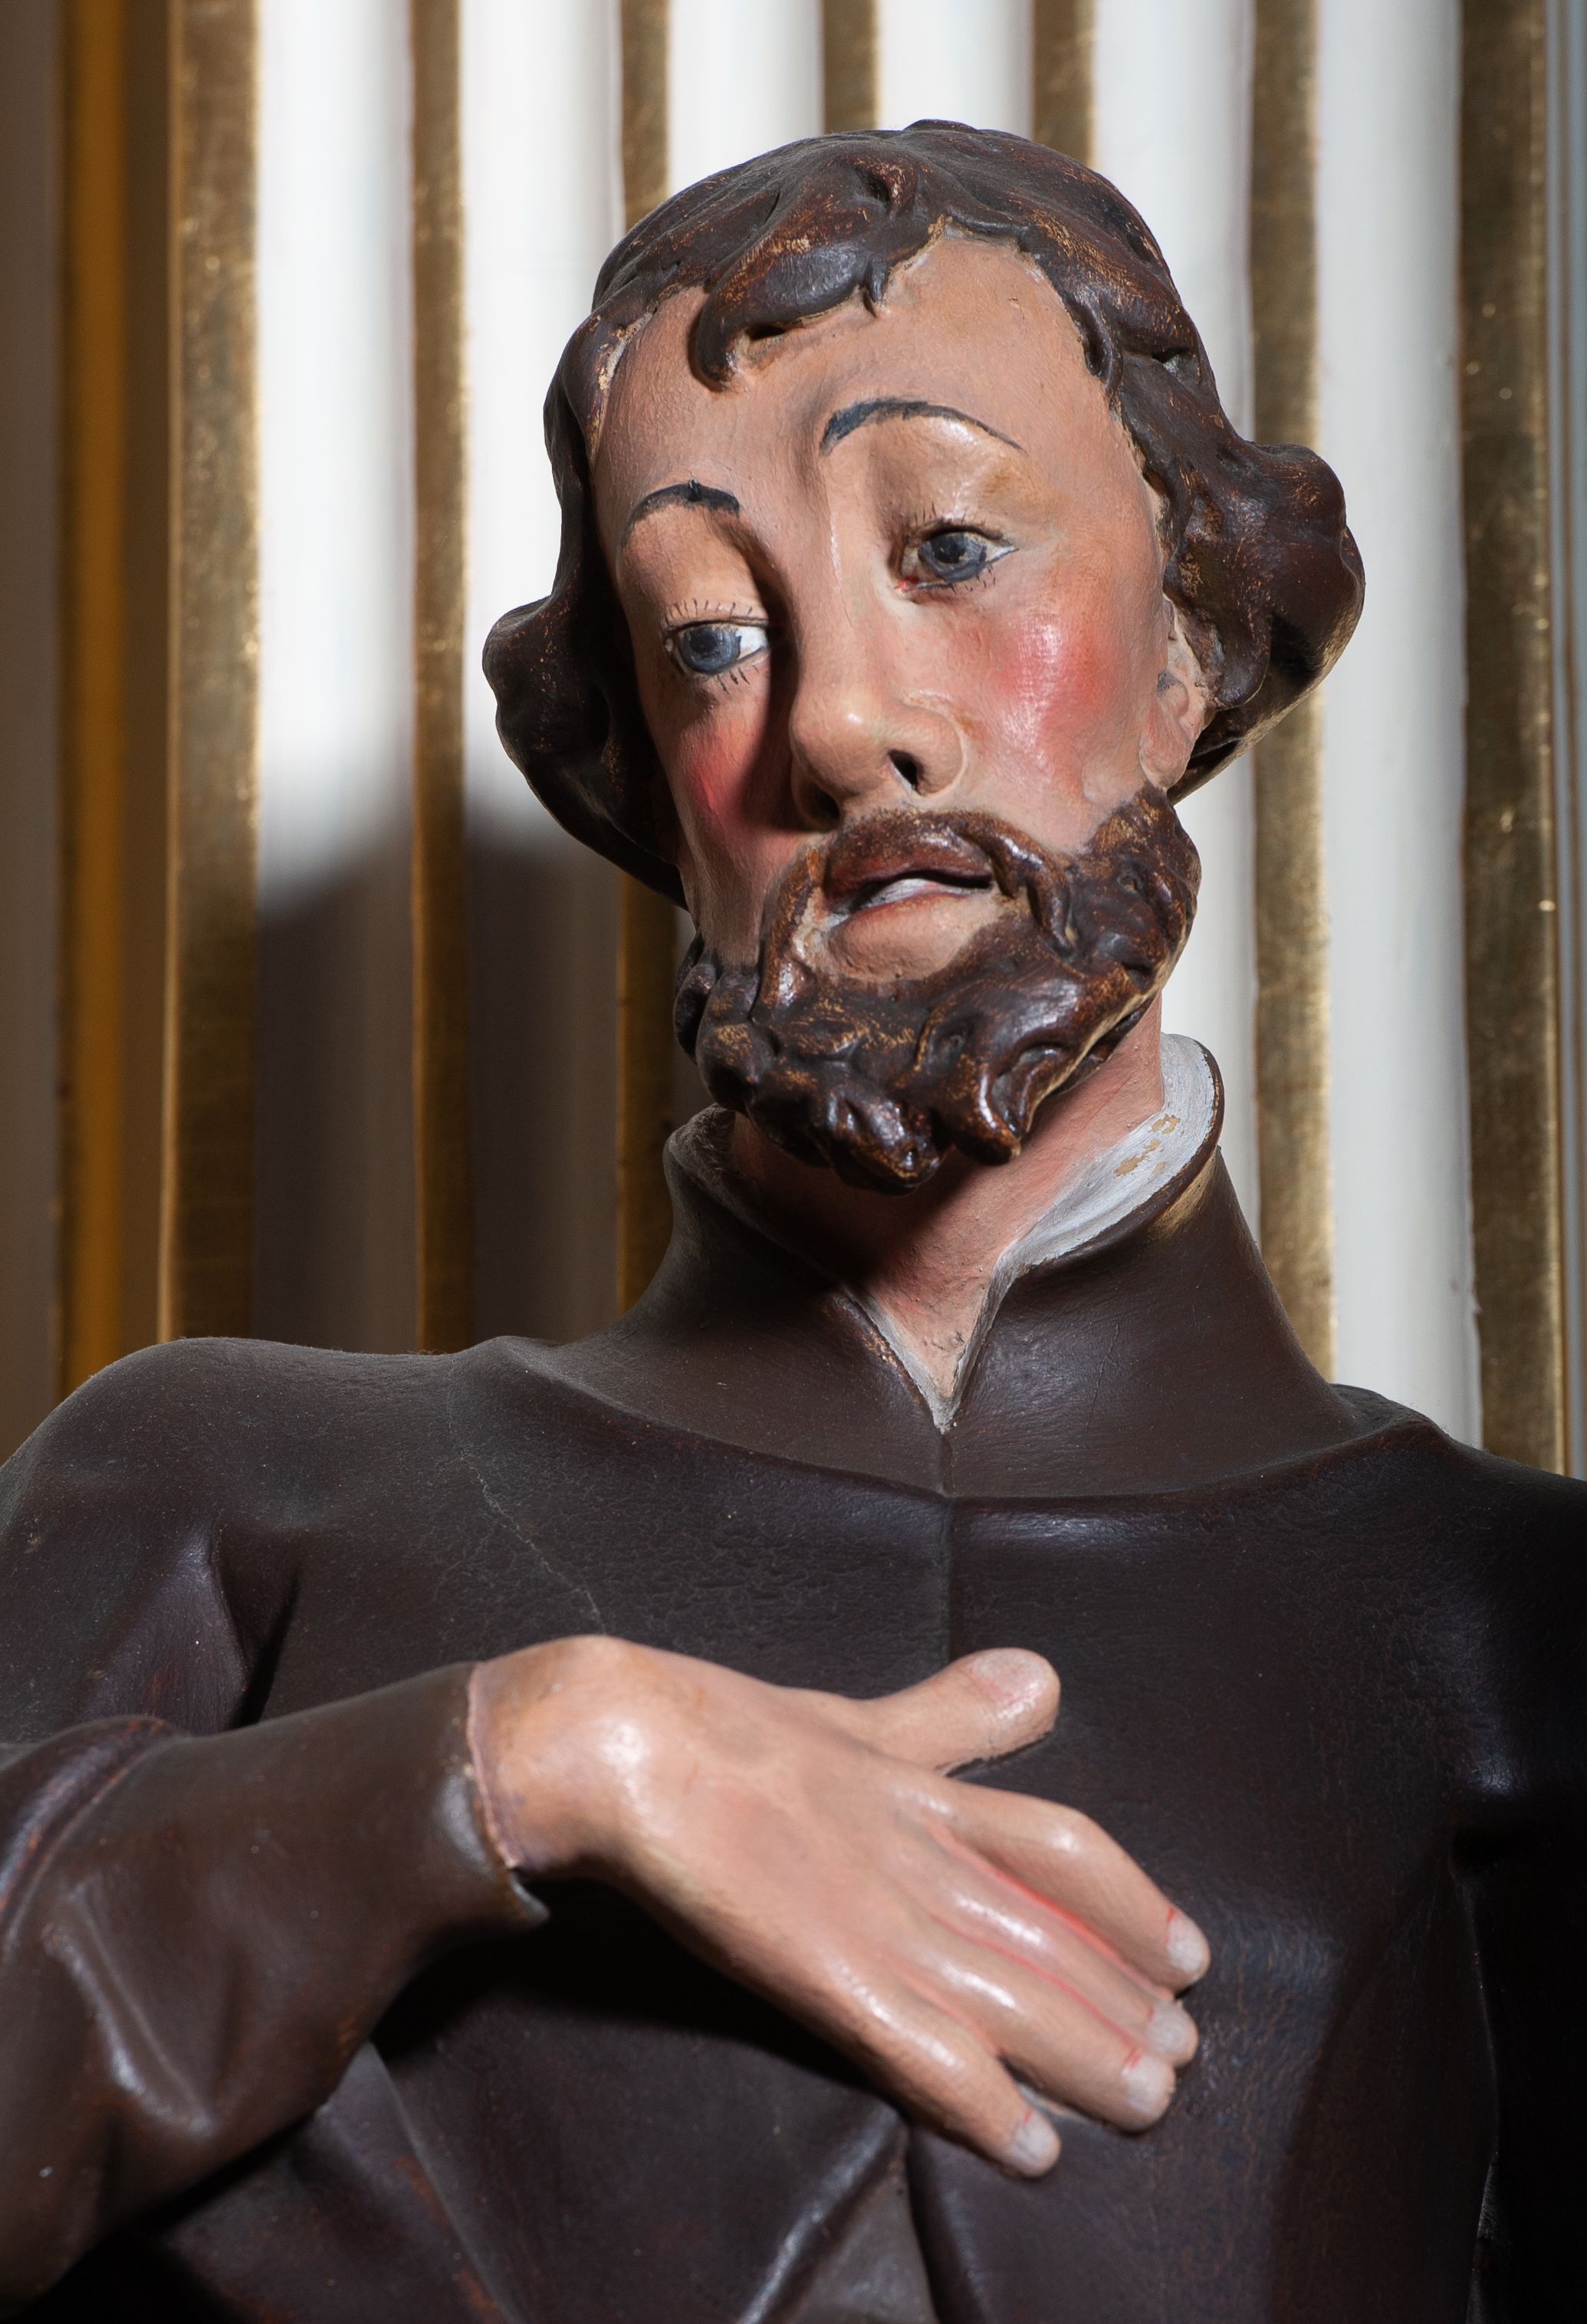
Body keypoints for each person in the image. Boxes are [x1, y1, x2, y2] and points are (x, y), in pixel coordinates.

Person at [2, 126, 1582, 2322]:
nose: (839, 724)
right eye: (713, 638)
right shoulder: (229, 1490)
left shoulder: (1502, 1619)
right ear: (651, 779)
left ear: (1194, 641)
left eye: (952, 546)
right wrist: (532, 1757)